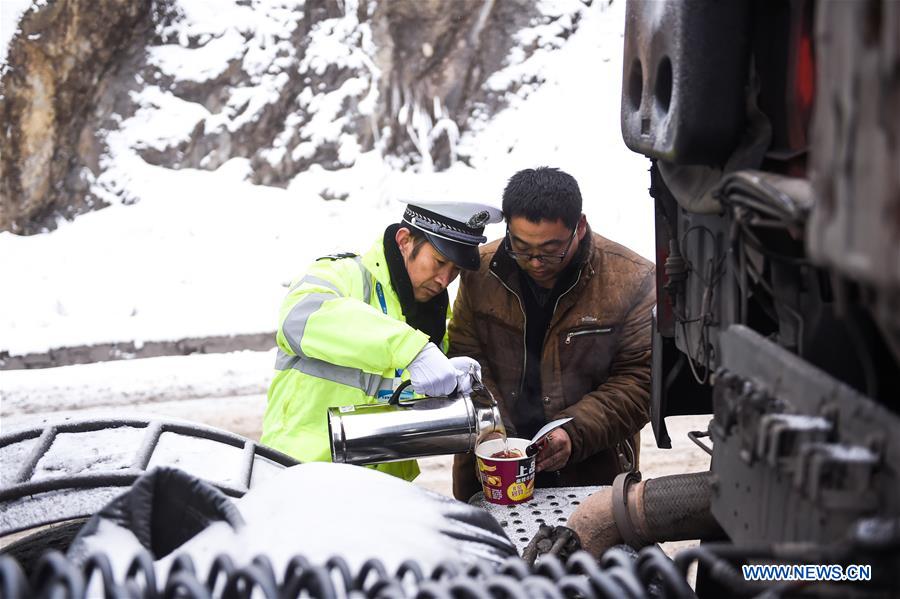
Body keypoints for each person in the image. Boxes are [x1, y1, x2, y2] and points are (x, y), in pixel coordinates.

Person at [448, 167, 655, 500]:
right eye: (522, 247)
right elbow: (466, 361)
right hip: (493, 470)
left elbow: (641, 381)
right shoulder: (479, 271)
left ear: (580, 226)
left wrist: (574, 431)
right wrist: (492, 430)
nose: (535, 262)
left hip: (592, 469)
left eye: (551, 249)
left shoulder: (631, 279)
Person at [262, 199, 502, 481]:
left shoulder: (431, 315)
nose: (444, 279)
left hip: (381, 486)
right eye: (439, 262)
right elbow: (298, 319)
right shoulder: (345, 275)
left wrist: (448, 383)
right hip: (301, 474)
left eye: (456, 271)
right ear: (404, 241)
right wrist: (412, 350)